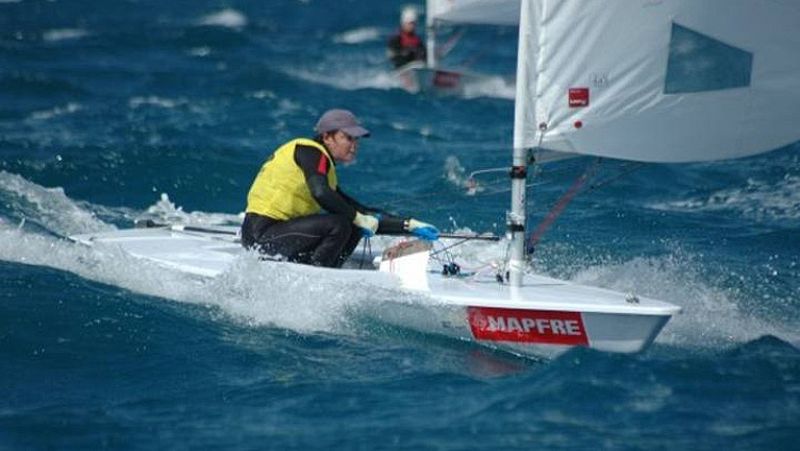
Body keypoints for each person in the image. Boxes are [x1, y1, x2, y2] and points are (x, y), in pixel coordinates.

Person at [241, 109, 439, 268]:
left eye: (356, 140)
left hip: (281, 235)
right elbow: (321, 194)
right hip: (260, 235)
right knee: (340, 223)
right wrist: (358, 218)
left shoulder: (323, 168)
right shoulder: (310, 151)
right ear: (327, 137)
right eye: (348, 138)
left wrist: (408, 225)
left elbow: (360, 212)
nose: (354, 145)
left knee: (352, 222)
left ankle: (329, 269)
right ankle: (316, 275)